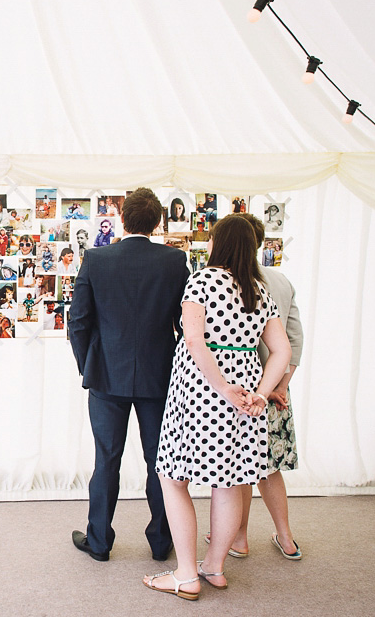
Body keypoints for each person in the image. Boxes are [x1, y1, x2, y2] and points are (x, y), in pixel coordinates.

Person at [145, 214, 291, 601]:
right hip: (245, 392)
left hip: (201, 389)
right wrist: (260, 392)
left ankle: (186, 574)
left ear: (218, 243)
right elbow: (283, 350)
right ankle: (214, 566)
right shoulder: (260, 289)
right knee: (228, 483)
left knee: (173, 478)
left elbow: (194, 340)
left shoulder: (203, 280)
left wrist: (224, 387)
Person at [68, 188, 189, 564]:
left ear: (123, 219)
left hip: (106, 376)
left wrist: (88, 365)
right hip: (160, 377)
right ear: (157, 222)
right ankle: (160, 541)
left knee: (106, 460)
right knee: (161, 462)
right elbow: (186, 325)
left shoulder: (97, 259)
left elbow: (78, 323)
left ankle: (99, 542)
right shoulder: (175, 261)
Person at [204, 213, 305, 561]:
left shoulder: (217, 281)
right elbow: (294, 341)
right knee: (270, 467)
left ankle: (239, 538)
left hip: (237, 388)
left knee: (239, 467)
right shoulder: (280, 282)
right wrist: (277, 387)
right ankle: (286, 537)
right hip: (272, 388)